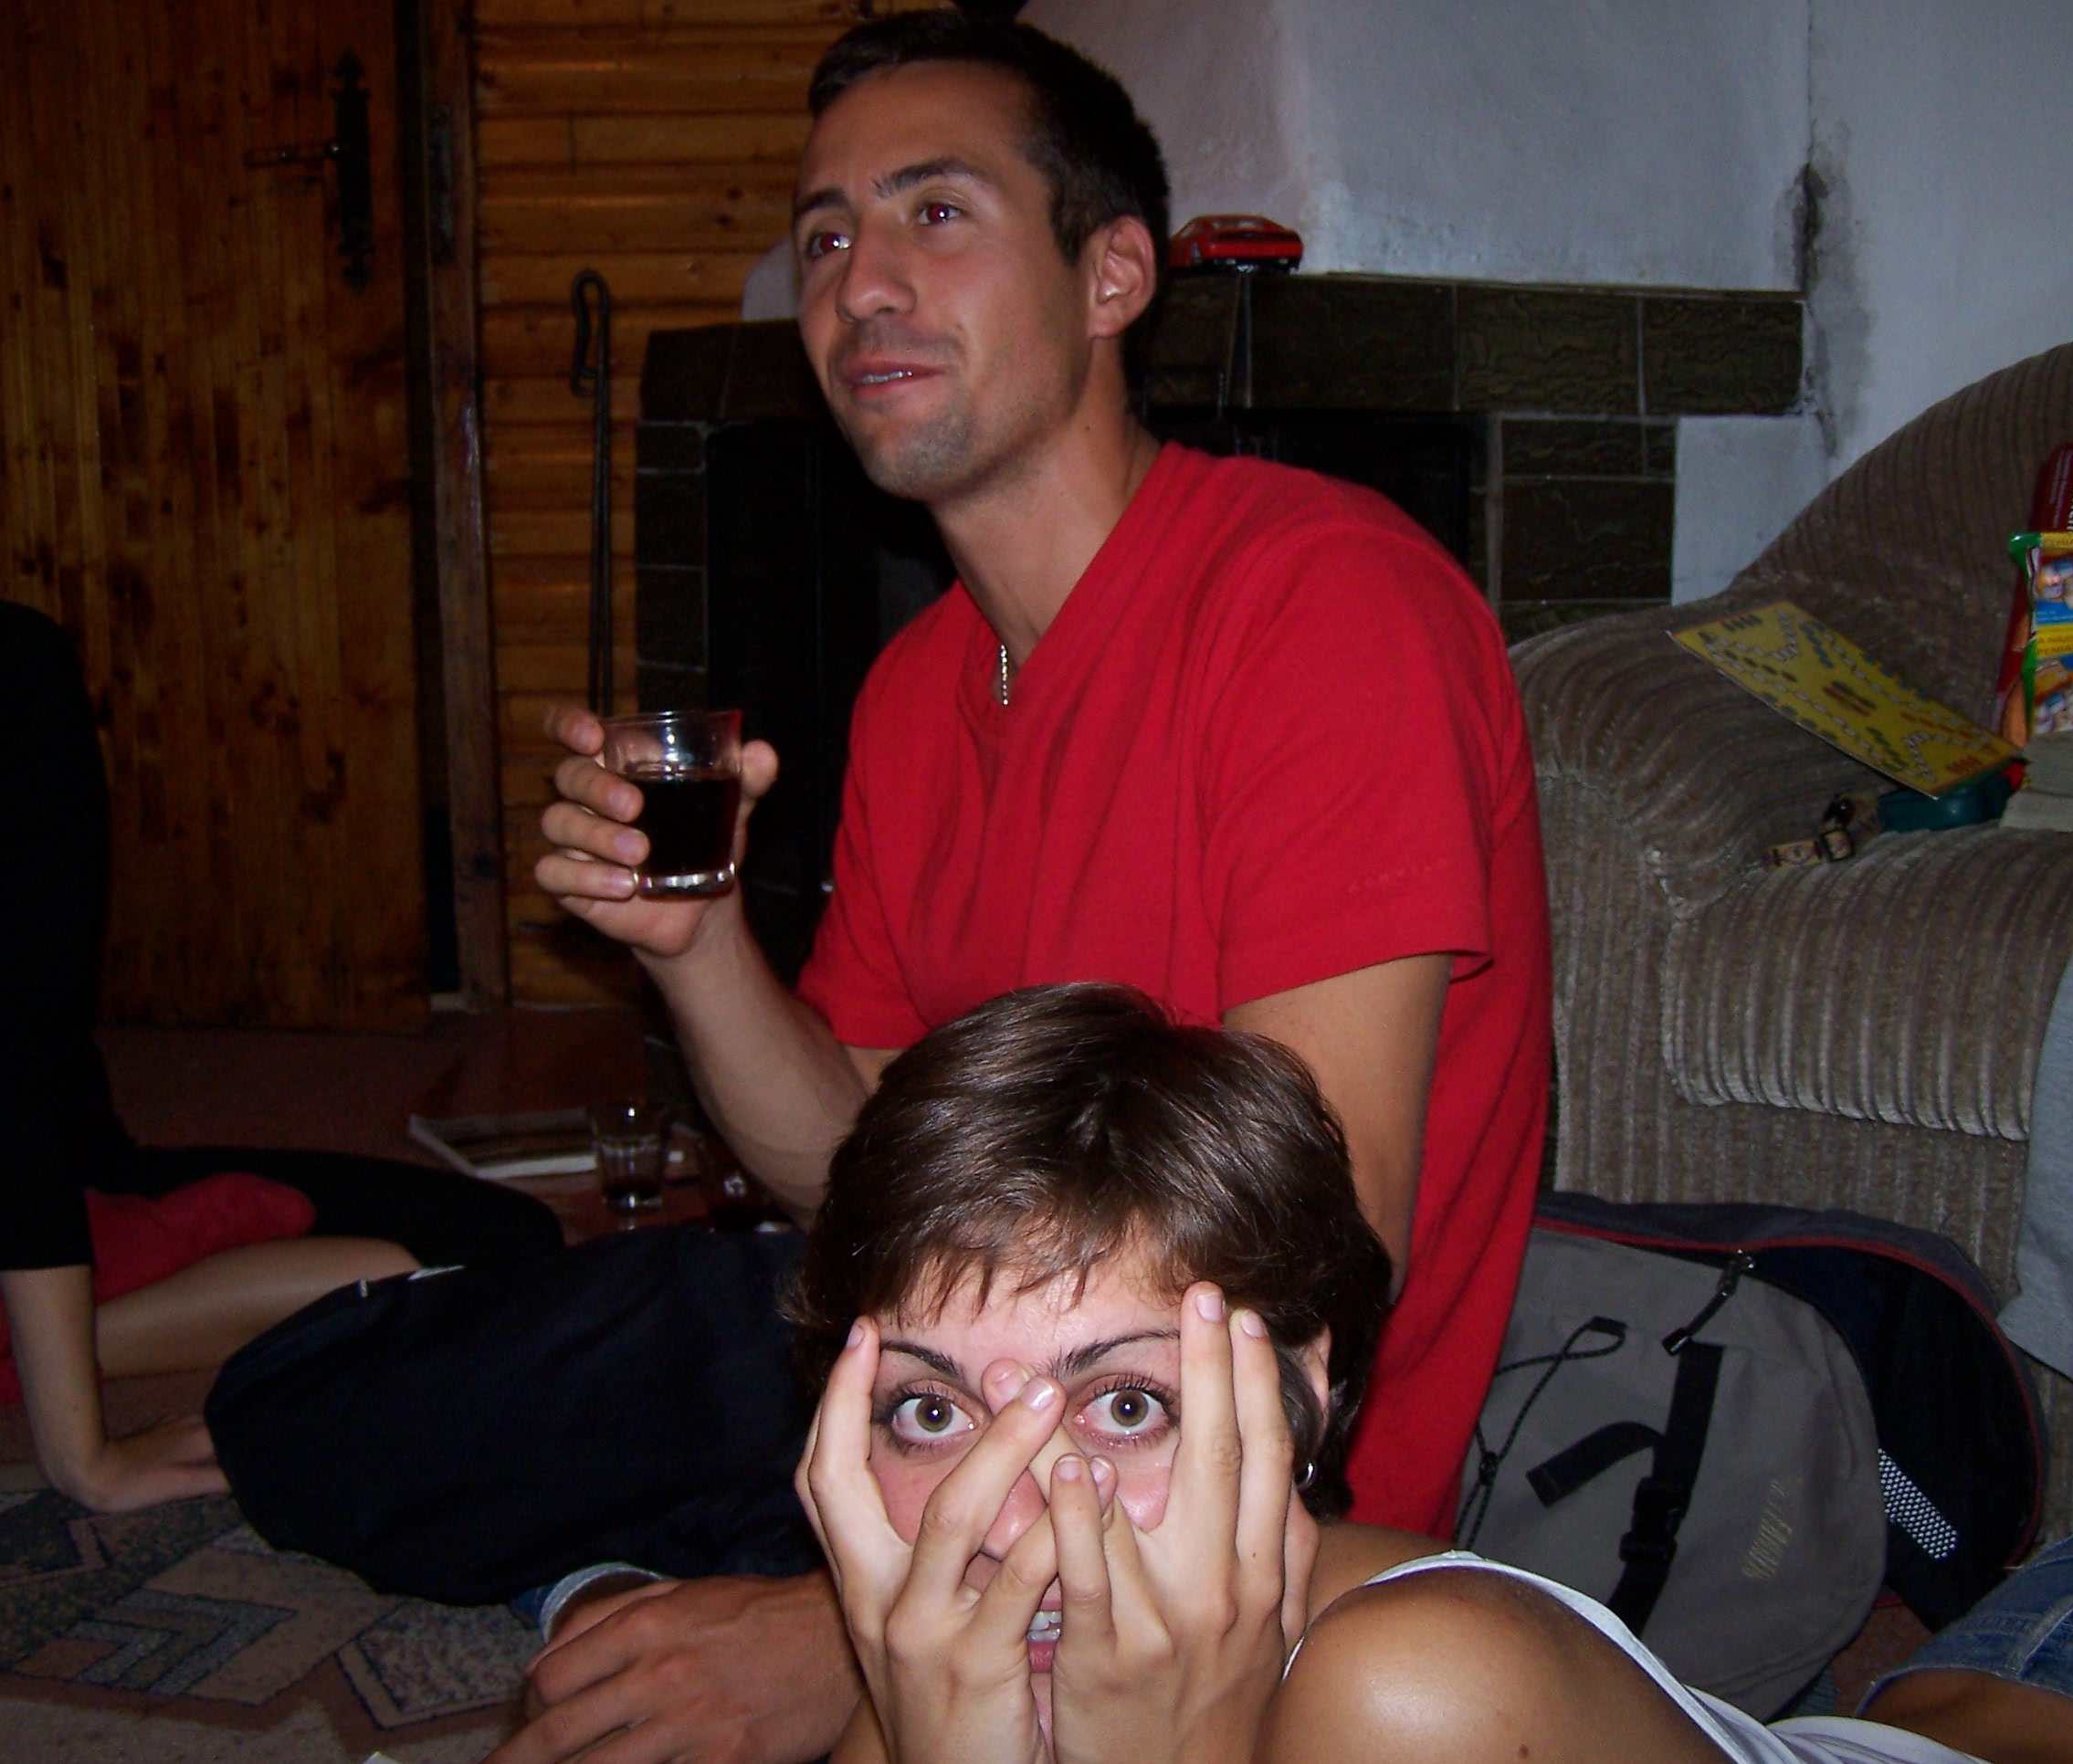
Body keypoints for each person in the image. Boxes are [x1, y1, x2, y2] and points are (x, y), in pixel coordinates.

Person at [511, 13, 1546, 1760]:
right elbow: (845, 1157)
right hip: (965, 1373)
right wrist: (692, 945)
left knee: (567, 1446)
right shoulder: (921, 686)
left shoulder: (1322, 609)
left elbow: (1313, 1258)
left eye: (936, 214)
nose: (858, 285)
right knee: (406, 1389)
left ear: (1113, 274)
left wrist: (862, 1624)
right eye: (825, 236)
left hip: (1205, 1500)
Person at [794, 982, 2073, 1764]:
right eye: (932, 1408)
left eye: (1126, 1402)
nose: (1013, 1516)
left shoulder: (1408, 1695)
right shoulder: (944, 1661)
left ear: (1300, 1394)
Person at [0, 602, 560, 1515]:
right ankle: (34, 1350)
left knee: (493, 1249)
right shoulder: (16, 667)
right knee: (474, 1262)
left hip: (66, 1171)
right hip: (48, 1176)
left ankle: (35, 1343)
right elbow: (16, 1064)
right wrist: (82, 1456)